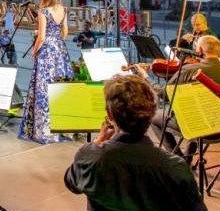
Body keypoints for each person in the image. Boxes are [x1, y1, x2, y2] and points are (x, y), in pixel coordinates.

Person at [64, 75, 206, 211]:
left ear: (110, 115)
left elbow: (71, 183)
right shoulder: (176, 167)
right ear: (152, 113)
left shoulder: (90, 156)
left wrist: (98, 142)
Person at [150, 35, 220, 157]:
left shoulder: (190, 70)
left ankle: (177, 158)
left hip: (197, 126)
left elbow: (165, 95)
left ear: (200, 50)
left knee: (154, 116)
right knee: (198, 108)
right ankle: (188, 156)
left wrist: (147, 79)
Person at [19, 0, 73, 144]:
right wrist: (55, 38)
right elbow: (65, 33)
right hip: (60, 51)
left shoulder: (43, 11)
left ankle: (44, 130)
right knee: (60, 87)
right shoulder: (63, 9)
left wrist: (35, 51)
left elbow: (41, 37)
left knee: (44, 88)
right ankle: (63, 127)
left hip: (47, 54)